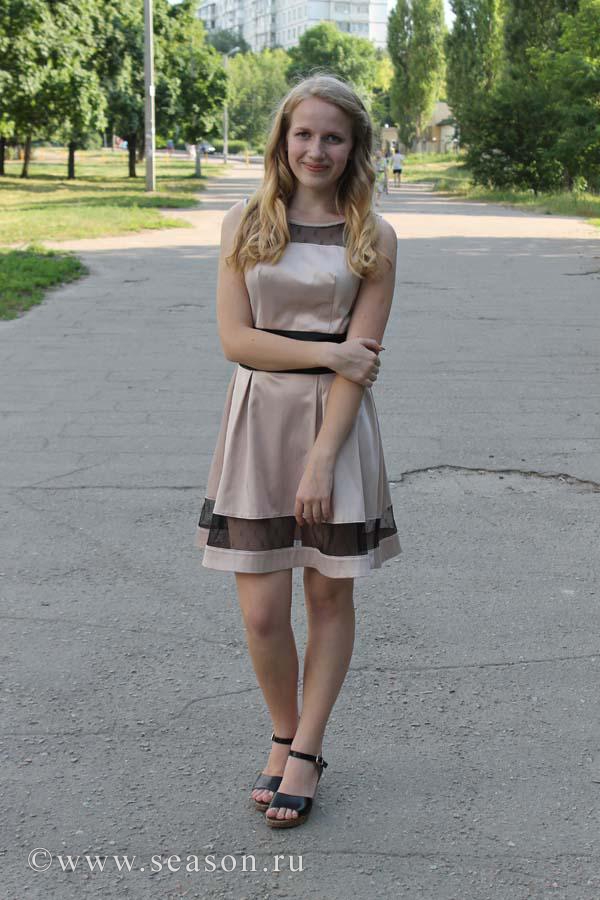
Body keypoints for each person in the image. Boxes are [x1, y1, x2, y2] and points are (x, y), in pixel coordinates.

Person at [195, 73, 402, 829]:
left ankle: (307, 749)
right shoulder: (245, 221)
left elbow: (361, 362)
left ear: (355, 148)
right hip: (256, 423)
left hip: (335, 430)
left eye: (333, 137)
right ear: (282, 139)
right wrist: (328, 352)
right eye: (304, 134)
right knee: (260, 612)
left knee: (327, 595)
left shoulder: (373, 235)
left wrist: (322, 459)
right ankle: (282, 733)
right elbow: (236, 340)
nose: (316, 149)